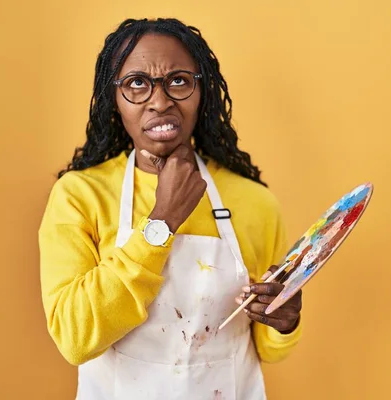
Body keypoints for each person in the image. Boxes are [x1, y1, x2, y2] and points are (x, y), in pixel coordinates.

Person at [38, 17, 303, 400]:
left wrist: (284, 323)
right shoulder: (79, 196)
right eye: (136, 84)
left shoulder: (255, 203)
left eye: (179, 81)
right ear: (114, 99)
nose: (160, 102)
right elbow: (75, 338)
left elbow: (266, 349)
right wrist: (162, 219)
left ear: (202, 92)